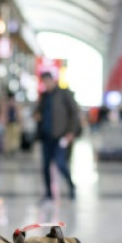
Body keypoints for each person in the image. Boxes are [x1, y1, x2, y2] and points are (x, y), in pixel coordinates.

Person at [34, 72, 80, 200]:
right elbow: (37, 111)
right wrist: (37, 116)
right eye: (44, 82)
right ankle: (48, 193)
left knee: (61, 163)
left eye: (48, 81)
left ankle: (71, 186)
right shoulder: (44, 96)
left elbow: (74, 113)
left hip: (61, 136)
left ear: (53, 80)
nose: (46, 84)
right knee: (45, 166)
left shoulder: (64, 94)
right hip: (46, 136)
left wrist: (71, 131)